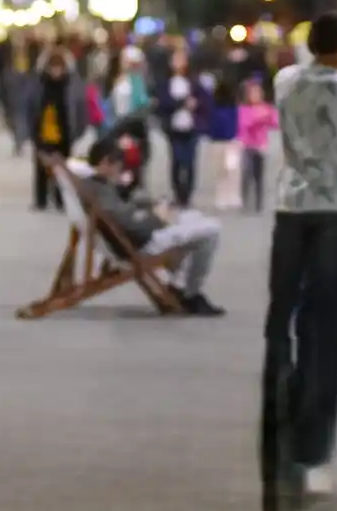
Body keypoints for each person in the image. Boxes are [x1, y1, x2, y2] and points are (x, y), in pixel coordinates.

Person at [264, 13, 337, 496]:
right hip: (335, 212)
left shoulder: (284, 82)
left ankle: (279, 432)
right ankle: (313, 450)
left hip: (291, 209)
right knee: (327, 325)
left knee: (284, 320)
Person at [80, 136, 225, 316]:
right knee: (211, 229)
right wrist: (158, 218)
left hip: (139, 238)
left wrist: (151, 208)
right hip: (143, 243)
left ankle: (182, 285)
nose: (120, 169)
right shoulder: (100, 192)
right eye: (118, 164)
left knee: (193, 218)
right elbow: (128, 224)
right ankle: (189, 292)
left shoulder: (94, 185)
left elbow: (124, 212)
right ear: (105, 163)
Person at [30, 50, 85, 212]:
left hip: (63, 134)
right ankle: (41, 200)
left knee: (62, 169)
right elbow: (30, 107)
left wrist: (76, 131)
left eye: (59, 68)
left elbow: (79, 110)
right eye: (53, 68)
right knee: (41, 168)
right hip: (44, 132)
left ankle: (61, 199)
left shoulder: (71, 86)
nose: (56, 71)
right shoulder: (39, 85)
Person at [158, 51, 205, 207]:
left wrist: (196, 104)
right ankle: (178, 193)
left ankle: (187, 195)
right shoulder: (166, 82)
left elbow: (204, 100)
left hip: (191, 127)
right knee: (177, 161)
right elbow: (164, 102)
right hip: (174, 128)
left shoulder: (193, 81)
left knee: (190, 162)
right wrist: (182, 102)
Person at [237, 78, 278, 213]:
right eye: (253, 93)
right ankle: (245, 202)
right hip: (247, 146)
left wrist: (268, 117)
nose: (256, 95)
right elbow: (245, 124)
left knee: (259, 176)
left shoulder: (266, 108)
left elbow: (275, 122)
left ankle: (258, 204)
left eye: (258, 92)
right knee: (246, 174)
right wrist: (260, 118)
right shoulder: (244, 109)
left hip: (261, 146)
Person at [207, 78, 242, 210]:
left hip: (222, 142)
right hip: (229, 141)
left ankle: (224, 197)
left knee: (223, 171)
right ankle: (230, 196)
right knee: (230, 171)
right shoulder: (231, 109)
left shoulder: (216, 108)